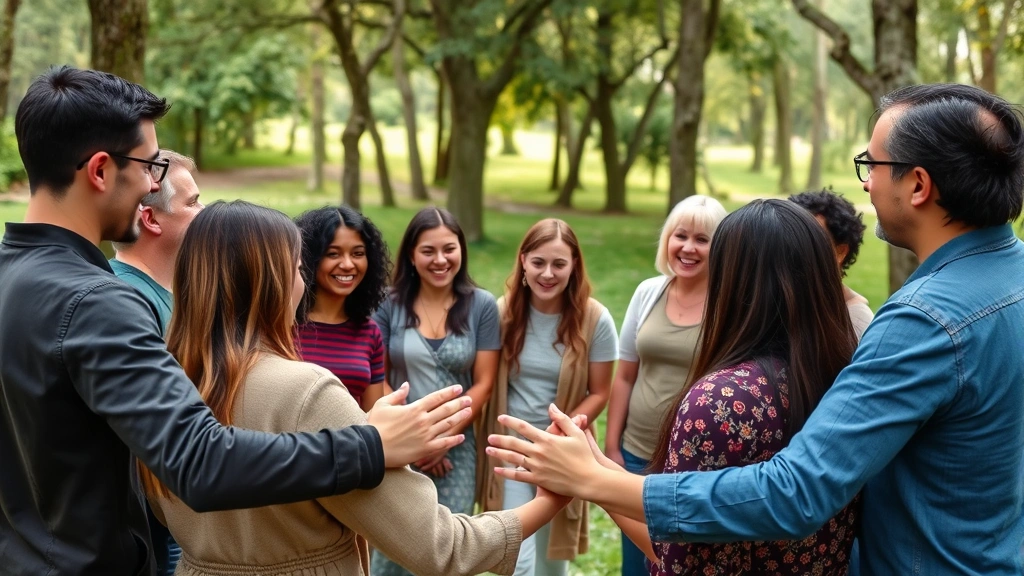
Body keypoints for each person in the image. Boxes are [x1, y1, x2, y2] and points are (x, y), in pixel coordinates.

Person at [489, 83, 1024, 575]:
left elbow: (794, 494)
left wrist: (600, 480)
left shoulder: (922, 322)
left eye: (873, 164)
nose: (867, 181)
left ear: (919, 184)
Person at [0, 66, 471, 575]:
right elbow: (201, 463)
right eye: (147, 167)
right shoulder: (98, 303)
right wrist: (369, 445)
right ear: (98, 170)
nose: (151, 185)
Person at [146, 200, 573, 576]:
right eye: (299, 268)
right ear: (273, 280)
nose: (305, 281)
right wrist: (550, 498)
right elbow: (441, 547)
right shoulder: (306, 392)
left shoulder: (159, 381)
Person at [488, 200, 860, 575]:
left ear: (738, 283)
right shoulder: (847, 374)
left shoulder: (724, 402)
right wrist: (596, 466)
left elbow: (683, 559)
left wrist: (590, 481)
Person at [477, 218, 618, 576]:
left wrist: (563, 429)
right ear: (523, 260)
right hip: (510, 448)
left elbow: (600, 392)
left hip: (560, 449)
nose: (548, 273)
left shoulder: (595, 320)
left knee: (553, 562)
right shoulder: (502, 312)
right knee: (517, 556)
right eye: (539, 262)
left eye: (559, 263)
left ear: (574, 266)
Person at [372, 207, 501, 576]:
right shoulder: (388, 304)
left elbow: (485, 383)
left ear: (461, 250)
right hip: (397, 449)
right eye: (428, 251)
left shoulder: (482, 306)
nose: (440, 260)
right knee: (390, 552)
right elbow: (378, 377)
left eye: (450, 249)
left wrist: (441, 439)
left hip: (456, 451)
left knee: (449, 554)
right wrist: (415, 441)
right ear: (411, 255)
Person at [601, 194, 726, 575]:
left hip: (693, 463)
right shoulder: (648, 292)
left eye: (702, 240)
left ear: (719, 248)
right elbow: (625, 375)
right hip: (636, 453)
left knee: (681, 563)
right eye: (680, 235)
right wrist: (612, 448)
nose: (688, 248)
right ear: (667, 240)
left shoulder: (728, 304)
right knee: (634, 565)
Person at [109, 148, 202, 576]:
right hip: (153, 525)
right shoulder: (126, 301)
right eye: (193, 202)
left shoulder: (174, 294)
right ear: (151, 219)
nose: (204, 212)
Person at [295, 205, 391, 410]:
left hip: (352, 441)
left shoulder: (369, 332)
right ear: (310, 259)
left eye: (357, 253)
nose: (348, 264)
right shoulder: (282, 324)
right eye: (333, 254)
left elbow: (373, 416)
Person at [790, 189, 874, 339]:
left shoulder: (855, 321)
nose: (796, 247)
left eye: (811, 239)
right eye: (793, 235)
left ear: (840, 252)